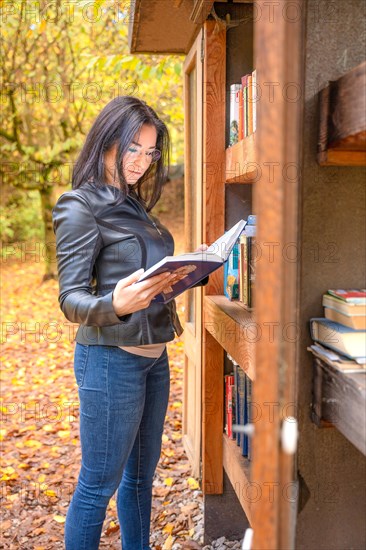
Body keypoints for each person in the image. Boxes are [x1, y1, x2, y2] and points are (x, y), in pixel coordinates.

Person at [52, 96, 208, 550]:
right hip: (109, 361)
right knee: (98, 484)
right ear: (105, 144)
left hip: (153, 359)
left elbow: (145, 275)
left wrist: (183, 275)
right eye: (132, 149)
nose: (141, 161)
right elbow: (71, 299)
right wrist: (115, 303)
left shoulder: (136, 205)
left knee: (140, 478)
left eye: (150, 151)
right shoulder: (79, 205)